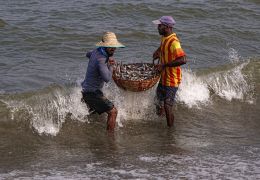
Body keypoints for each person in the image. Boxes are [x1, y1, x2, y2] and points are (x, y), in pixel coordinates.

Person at [81, 32, 125, 132]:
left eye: (114, 46)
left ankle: (90, 136)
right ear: (104, 46)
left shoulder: (95, 52)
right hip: (92, 93)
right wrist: (111, 66)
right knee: (113, 112)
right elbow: (107, 78)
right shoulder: (101, 59)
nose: (113, 48)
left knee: (92, 115)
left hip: (85, 89)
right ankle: (110, 140)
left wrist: (104, 60)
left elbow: (87, 54)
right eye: (110, 46)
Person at [152, 16, 187, 127]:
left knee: (167, 105)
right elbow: (162, 46)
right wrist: (158, 51)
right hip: (164, 78)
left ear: (167, 27)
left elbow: (183, 59)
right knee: (157, 101)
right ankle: (160, 121)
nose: (158, 27)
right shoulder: (164, 37)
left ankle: (170, 131)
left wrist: (164, 65)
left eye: (160, 25)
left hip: (172, 80)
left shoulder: (174, 42)